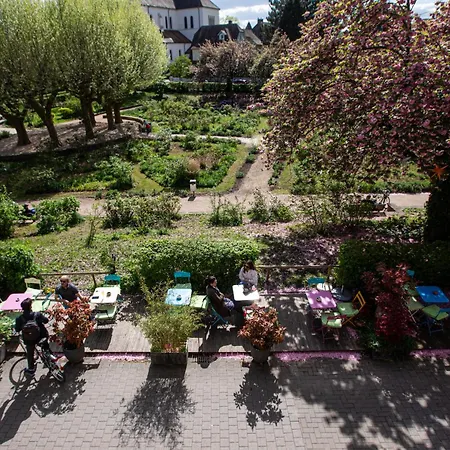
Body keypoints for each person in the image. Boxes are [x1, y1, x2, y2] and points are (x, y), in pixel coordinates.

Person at [15, 298, 55, 376]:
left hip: (29, 339)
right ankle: (52, 362)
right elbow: (46, 321)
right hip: (41, 336)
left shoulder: (19, 318)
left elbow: (17, 329)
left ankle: (31, 369)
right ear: (30, 306)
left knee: (30, 353)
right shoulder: (37, 314)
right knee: (46, 348)